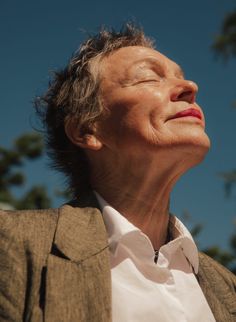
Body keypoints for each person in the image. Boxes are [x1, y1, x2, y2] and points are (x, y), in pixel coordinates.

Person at [0, 23, 235, 322]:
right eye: (148, 76)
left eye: (182, 75)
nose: (191, 87)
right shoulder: (12, 245)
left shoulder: (228, 287)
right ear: (87, 129)